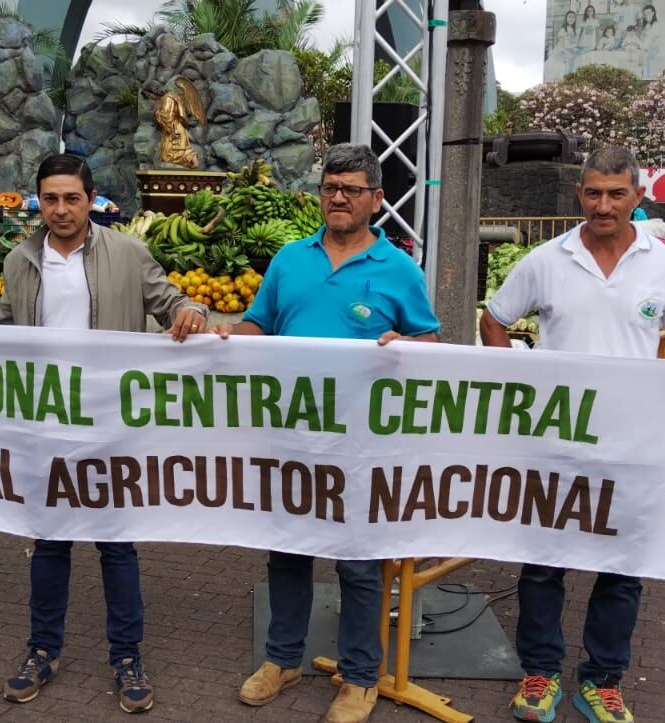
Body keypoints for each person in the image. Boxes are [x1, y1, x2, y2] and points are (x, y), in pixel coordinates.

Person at [0, 153, 208, 715]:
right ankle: (43, 649)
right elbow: (2, 317)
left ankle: (127, 657)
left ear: (91, 200)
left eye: (72, 198)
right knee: (50, 541)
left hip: (110, 422)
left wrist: (192, 311)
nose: (61, 209)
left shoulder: (128, 254)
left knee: (116, 544)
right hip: (47, 420)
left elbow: (170, 302)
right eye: (51, 199)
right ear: (39, 201)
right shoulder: (23, 258)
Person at [479, 146, 665, 723]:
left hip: (631, 442)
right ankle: (540, 674)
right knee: (543, 560)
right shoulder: (546, 259)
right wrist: (518, 381)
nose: (603, 204)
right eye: (593, 193)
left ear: (638, 197)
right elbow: (495, 319)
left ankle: (603, 677)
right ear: (579, 196)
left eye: (617, 194)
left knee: (622, 563)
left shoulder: (664, 265)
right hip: (555, 442)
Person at [215, 144, 441, 723]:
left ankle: (361, 678)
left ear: (376, 198)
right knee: (287, 553)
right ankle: (282, 659)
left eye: (351, 189)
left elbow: (431, 346)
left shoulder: (399, 270)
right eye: (329, 187)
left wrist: (408, 348)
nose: (337, 197)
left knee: (358, 563)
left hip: (363, 446)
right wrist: (217, 336)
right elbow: (257, 327)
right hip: (289, 435)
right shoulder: (290, 259)